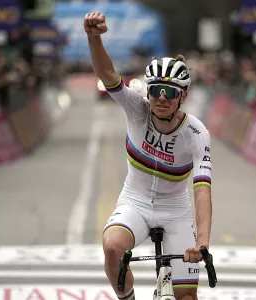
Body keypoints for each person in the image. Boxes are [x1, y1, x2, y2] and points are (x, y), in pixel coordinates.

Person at [84, 12, 213, 300]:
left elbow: (202, 190)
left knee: (187, 297)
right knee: (112, 247)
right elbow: (107, 75)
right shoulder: (136, 108)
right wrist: (94, 38)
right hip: (136, 202)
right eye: (155, 91)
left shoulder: (196, 133)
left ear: (184, 95)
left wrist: (202, 243)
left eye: (170, 91)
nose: (162, 98)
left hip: (176, 210)